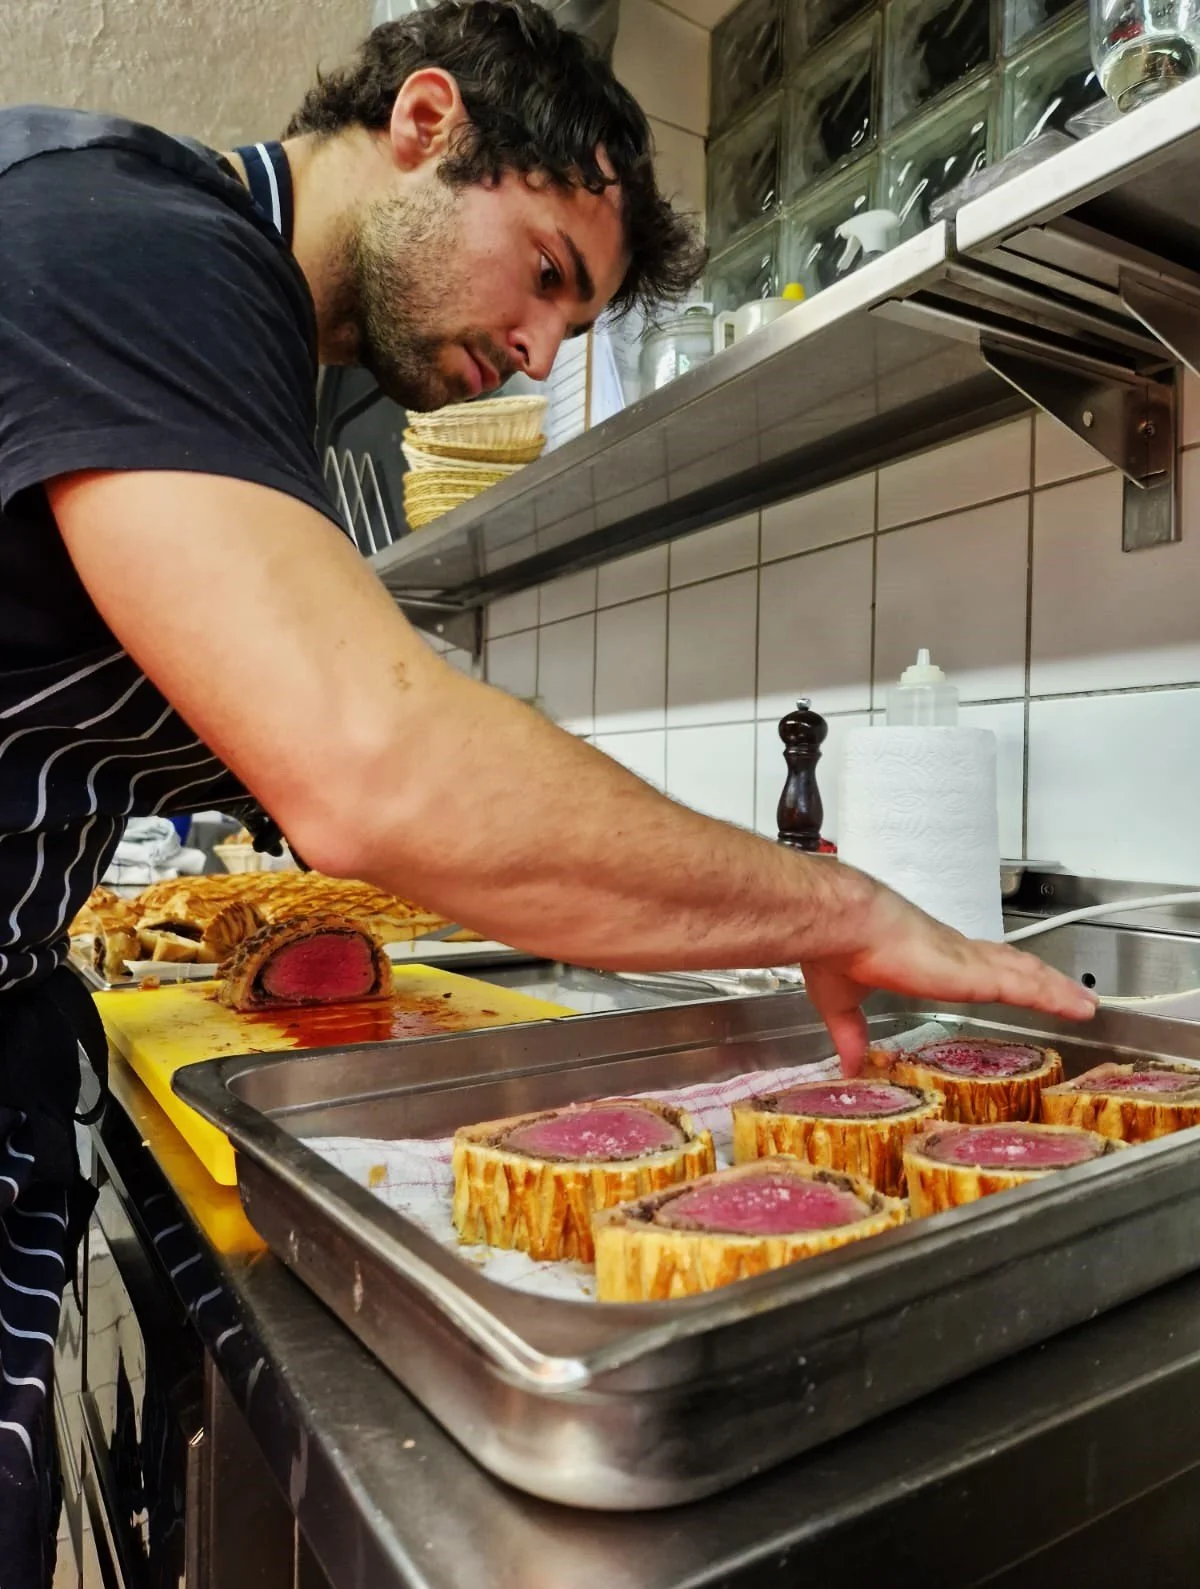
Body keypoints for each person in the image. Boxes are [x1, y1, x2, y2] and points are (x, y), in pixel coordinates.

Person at [0, 2, 1093, 1580]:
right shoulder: (145, 250)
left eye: (573, 328)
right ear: (426, 122)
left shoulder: (208, 324)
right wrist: (842, 903)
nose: (536, 352)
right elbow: (375, 772)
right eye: (547, 275)